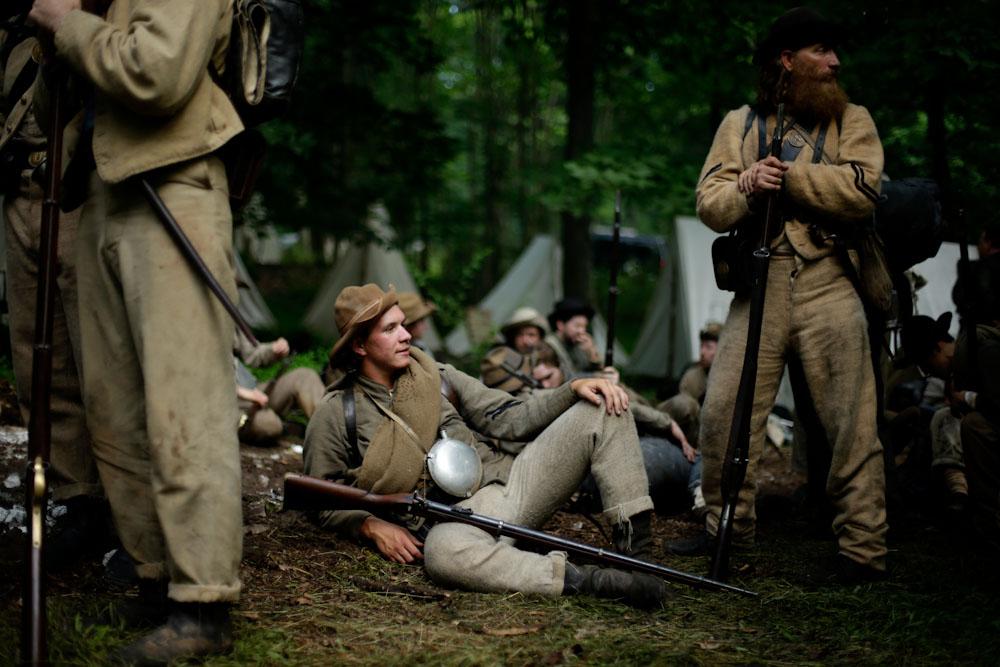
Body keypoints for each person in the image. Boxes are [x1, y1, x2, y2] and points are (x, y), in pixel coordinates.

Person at [30, 0, 244, 661]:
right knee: (116, 408)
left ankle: (202, 600)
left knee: (187, 407)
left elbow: (157, 73)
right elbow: (50, 116)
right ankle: (155, 577)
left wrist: (69, 26)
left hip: (172, 187)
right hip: (105, 191)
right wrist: (60, 36)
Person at [304, 284, 671, 608]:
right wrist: (368, 525)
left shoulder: (436, 375)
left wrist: (570, 389)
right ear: (359, 345)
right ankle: (594, 581)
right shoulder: (336, 413)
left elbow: (509, 416)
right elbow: (322, 497)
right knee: (444, 556)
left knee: (605, 402)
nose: (406, 336)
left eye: (403, 324)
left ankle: (636, 556)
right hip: (448, 526)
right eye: (390, 329)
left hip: (507, 488)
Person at [686, 7, 888, 583]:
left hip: (828, 280)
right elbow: (710, 201)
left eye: (834, 52)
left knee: (852, 423)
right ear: (787, 59)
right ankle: (729, 531)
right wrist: (746, 188)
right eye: (821, 51)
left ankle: (863, 551)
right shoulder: (741, 123)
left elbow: (863, 190)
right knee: (723, 412)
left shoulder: (854, 119)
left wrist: (791, 178)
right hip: (761, 281)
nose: (834, 62)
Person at [0, 21, 111, 566]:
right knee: (35, 354)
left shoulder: (91, 16)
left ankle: (120, 499)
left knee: (91, 352)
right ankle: (74, 494)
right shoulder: (13, 31)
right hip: (18, 191)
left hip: (73, 193)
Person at [234, 333, 324, 444]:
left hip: (249, 387)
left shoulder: (226, 317)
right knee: (269, 424)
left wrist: (273, 349)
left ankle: (333, 435)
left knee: (305, 377)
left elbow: (253, 354)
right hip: (223, 405)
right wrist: (240, 391)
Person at [545, 297, 603, 379]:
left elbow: (591, 369)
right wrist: (596, 376)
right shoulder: (549, 346)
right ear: (560, 325)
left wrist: (592, 353)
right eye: (577, 326)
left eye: (584, 326)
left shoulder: (576, 344)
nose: (582, 331)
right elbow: (561, 378)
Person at [678, 322, 722, 405]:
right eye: (701, 346)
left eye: (708, 347)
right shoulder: (690, 377)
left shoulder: (729, 379)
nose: (702, 352)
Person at [398, 291, 437, 358]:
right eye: (421, 321)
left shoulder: (420, 345)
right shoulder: (407, 355)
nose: (426, 327)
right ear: (409, 325)